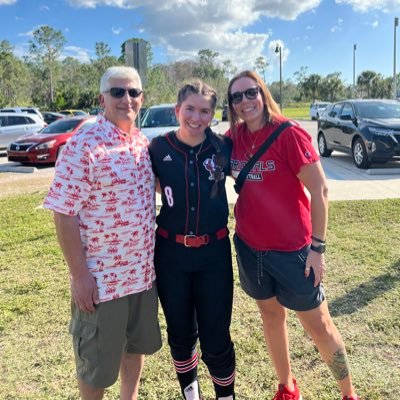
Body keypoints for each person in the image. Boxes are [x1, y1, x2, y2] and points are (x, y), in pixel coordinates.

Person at [225, 70, 360, 400]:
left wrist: (318, 248)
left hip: (294, 252)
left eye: (250, 92)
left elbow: (320, 190)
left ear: (263, 92)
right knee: (271, 315)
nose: (245, 101)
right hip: (250, 248)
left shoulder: (289, 134)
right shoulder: (233, 138)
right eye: (236, 97)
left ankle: (348, 394)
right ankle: (287, 387)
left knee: (320, 325)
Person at [43, 66, 162, 400]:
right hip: (102, 283)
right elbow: (64, 213)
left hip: (141, 277)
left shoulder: (141, 142)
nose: (127, 99)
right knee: (96, 366)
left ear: (142, 98)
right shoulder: (83, 145)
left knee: (134, 349)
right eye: (118, 92)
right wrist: (80, 276)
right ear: (102, 98)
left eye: (134, 92)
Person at [148, 80, 236, 400]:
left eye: (204, 111)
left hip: (214, 254)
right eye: (190, 109)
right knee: (181, 335)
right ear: (177, 110)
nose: (196, 118)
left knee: (216, 338)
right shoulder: (158, 148)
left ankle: (225, 396)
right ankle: (192, 396)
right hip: (171, 254)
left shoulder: (224, 147)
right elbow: (152, 184)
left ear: (213, 114)